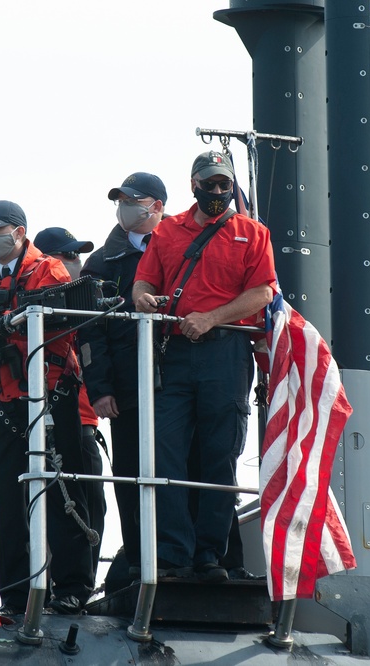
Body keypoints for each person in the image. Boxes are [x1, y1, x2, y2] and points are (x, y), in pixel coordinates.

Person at [0, 200, 96, 616]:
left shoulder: (48, 270)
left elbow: (56, 315)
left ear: (18, 232)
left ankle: (72, 587)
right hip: (0, 401)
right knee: (7, 504)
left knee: (62, 493)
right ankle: (14, 595)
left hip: (51, 397)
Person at [132, 151, 276, 582]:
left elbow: (263, 294)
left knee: (220, 455)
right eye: (209, 184)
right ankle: (174, 554)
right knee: (165, 453)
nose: (216, 192)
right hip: (174, 353)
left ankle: (211, 555)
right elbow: (144, 281)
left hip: (226, 353)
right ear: (193, 184)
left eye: (223, 185)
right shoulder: (169, 231)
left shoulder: (252, 233)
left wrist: (212, 318)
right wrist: (141, 297)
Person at [78, 171, 166, 580]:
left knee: (187, 469)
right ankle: (137, 559)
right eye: (121, 200)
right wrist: (100, 390)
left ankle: (187, 557)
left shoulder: (182, 246)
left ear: (157, 206)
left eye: (133, 199)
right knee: (130, 474)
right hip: (128, 389)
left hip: (178, 385)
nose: (125, 207)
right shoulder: (100, 263)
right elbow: (90, 333)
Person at [32, 226, 107, 578]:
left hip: (86, 423)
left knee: (92, 504)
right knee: (59, 507)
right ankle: (61, 584)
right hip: (54, 422)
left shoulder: (85, 306)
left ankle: (81, 582)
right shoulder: (37, 307)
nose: (77, 263)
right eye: (69, 255)